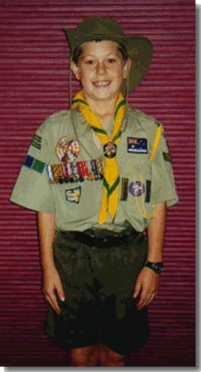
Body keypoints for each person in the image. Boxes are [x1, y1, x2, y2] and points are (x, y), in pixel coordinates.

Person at [10, 16, 178, 367]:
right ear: (75, 69)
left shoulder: (150, 130)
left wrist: (153, 264)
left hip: (128, 257)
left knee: (116, 353)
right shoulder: (54, 131)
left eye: (111, 61)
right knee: (81, 353)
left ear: (127, 67)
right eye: (89, 61)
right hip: (73, 257)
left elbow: (159, 201)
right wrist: (47, 267)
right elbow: (44, 205)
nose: (101, 71)